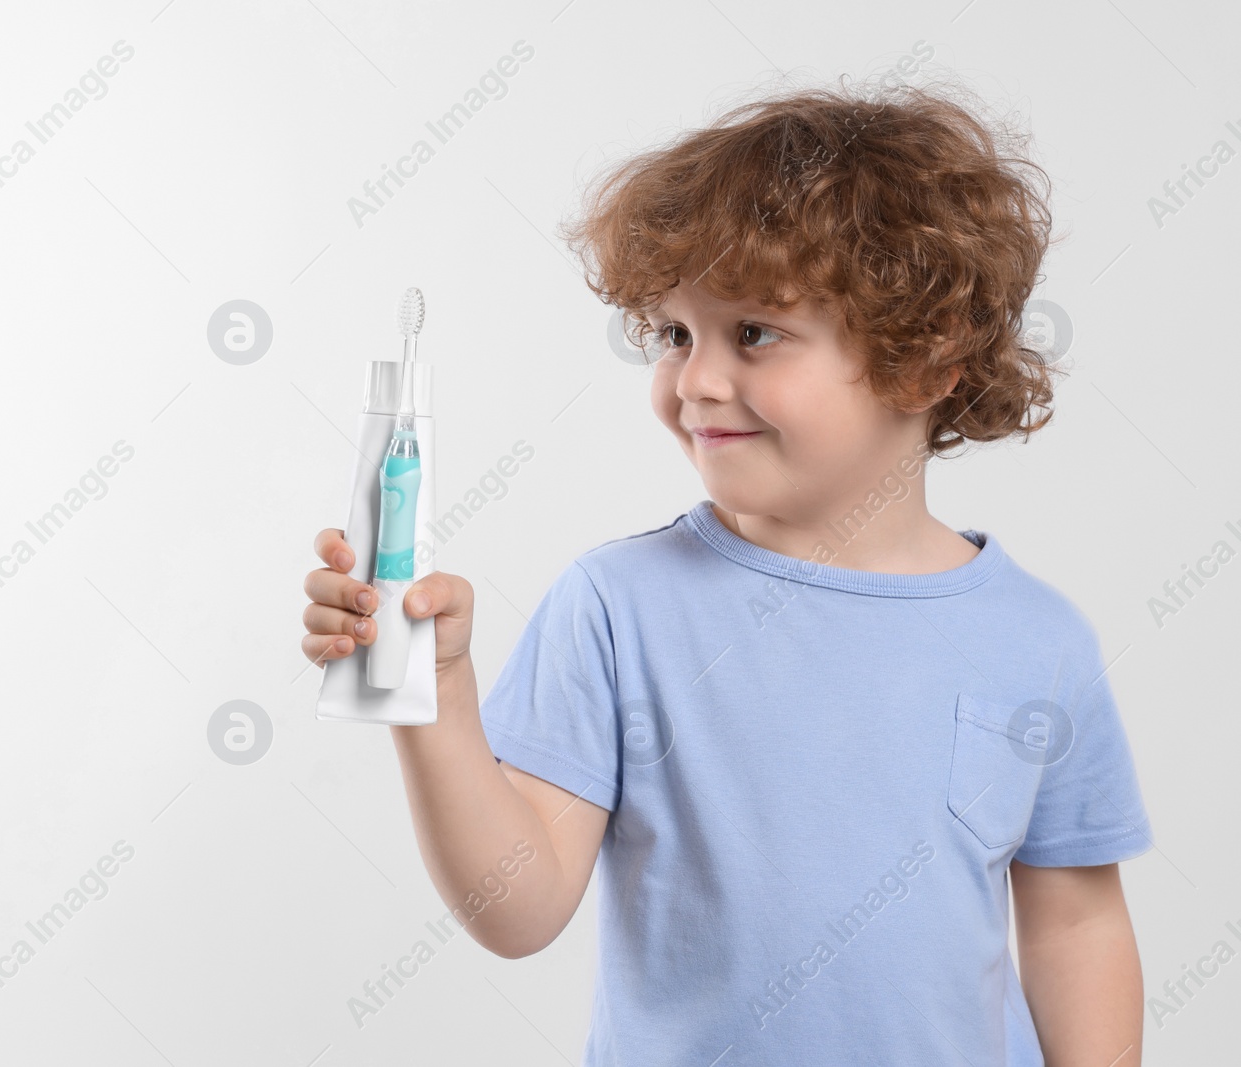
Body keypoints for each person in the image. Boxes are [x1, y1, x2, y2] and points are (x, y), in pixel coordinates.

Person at [302, 77, 1152, 1066]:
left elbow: (1076, 923)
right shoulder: (619, 607)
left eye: (752, 332)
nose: (695, 380)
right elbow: (518, 904)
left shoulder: (1037, 640)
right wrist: (436, 693)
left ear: (926, 361)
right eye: (674, 334)